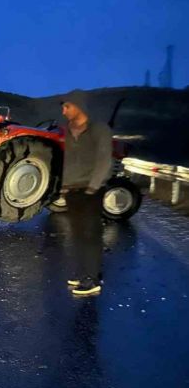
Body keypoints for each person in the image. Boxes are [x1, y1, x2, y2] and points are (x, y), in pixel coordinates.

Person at [59, 90, 113, 296]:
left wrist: (93, 186)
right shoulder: (69, 130)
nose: (63, 111)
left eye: (67, 106)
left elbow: (104, 159)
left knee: (91, 235)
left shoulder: (99, 129)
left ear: (79, 105)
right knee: (78, 234)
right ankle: (83, 273)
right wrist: (64, 185)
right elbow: (69, 160)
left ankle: (92, 280)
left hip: (91, 190)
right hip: (72, 190)